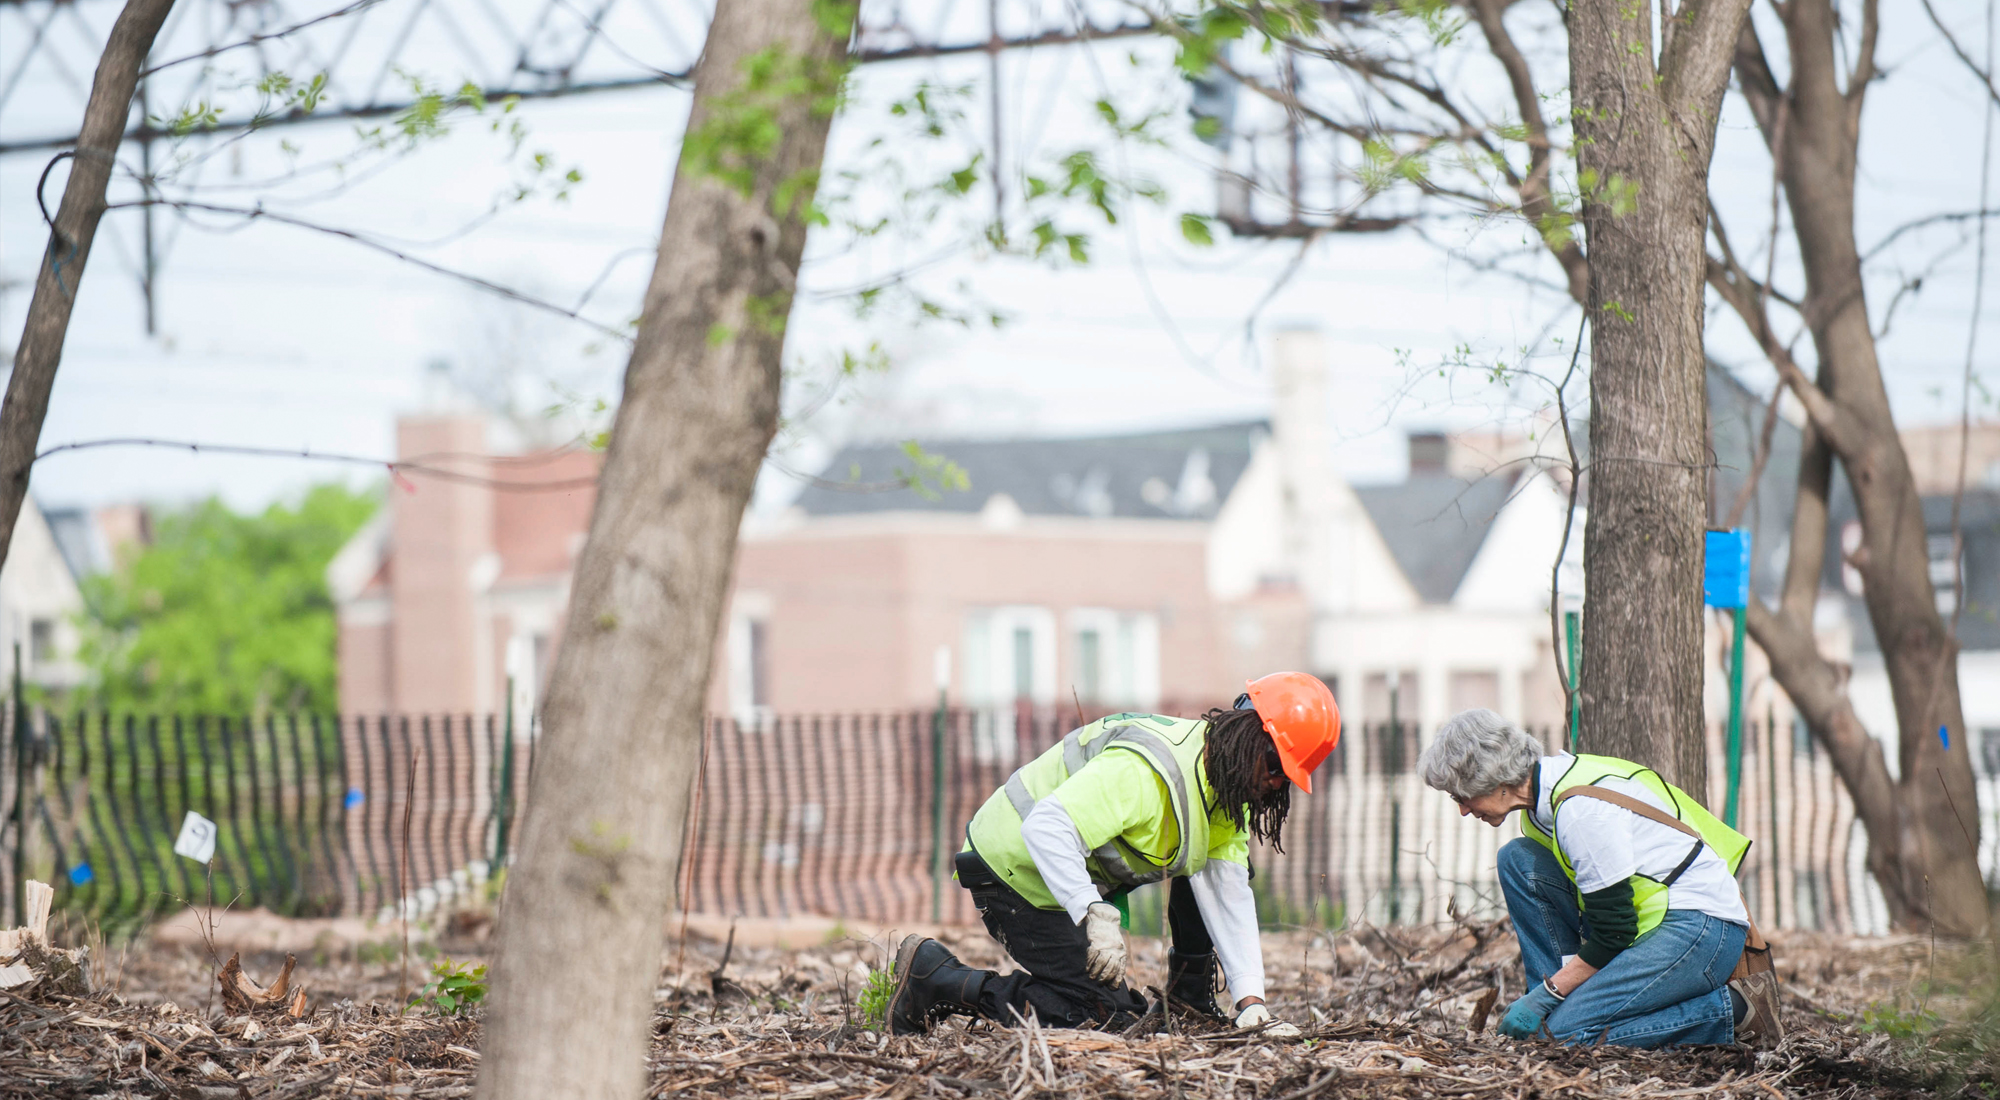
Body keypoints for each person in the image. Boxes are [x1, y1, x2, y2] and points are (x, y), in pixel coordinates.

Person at [885, 672, 1341, 1037]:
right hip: (1012, 870)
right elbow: (1046, 827)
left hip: (1054, 876)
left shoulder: (1224, 795)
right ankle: (937, 979)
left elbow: (1227, 893)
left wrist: (1252, 1004)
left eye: (1289, 778)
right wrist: (1091, 911)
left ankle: (1189, 1003)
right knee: (1100, 1015)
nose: (1277, 784)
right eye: (1278, 766)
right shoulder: (1146, 772)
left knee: (1215, 869)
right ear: (1248, 733)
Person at [1417, 709, 1780, 1049]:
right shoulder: (1545, 801)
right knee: (1518, 859)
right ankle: (1554, 1013)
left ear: (1492, 780)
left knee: (1560, 1038)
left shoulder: (1579, 813)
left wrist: (1547, 995)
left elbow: (1614, 932)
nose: (1464, 810)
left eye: (1461, 796)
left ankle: (1730, 1012)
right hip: (1653, 925)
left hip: (1700, 931)